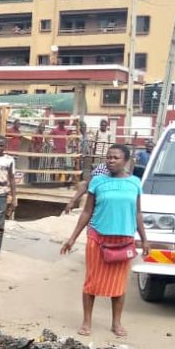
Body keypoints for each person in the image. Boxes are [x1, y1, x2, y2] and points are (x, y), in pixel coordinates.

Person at [60, 144, 148, 338]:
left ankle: (116, 323)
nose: (111, 160)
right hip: (98, 238)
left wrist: (144, 239)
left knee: (119, 285)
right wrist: (72, 238)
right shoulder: (98, 182)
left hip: (124, 240)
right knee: (92, 282)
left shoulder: (135, 183)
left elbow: (138, 213)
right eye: (108, 157)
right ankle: (86, 322)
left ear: (125, 161)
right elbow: (87, 212)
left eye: (115, 157)